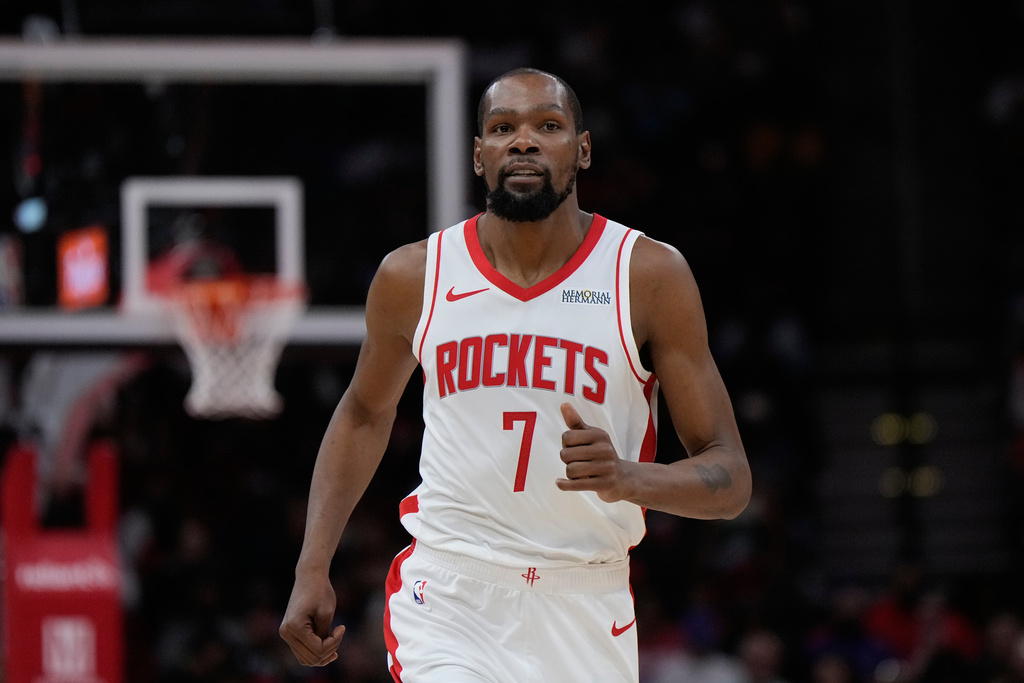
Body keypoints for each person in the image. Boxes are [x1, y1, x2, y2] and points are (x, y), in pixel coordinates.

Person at [279, 67, 751, 682]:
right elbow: (364, 414)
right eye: (503, 128)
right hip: (451, 594)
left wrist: (629, 477)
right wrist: (312, 564)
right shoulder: (415, 276)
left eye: (547, 126)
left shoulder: (647, 276)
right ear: (479, 156)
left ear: (582, 150)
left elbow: (731, 477)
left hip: (585, 600)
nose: (523, 141)